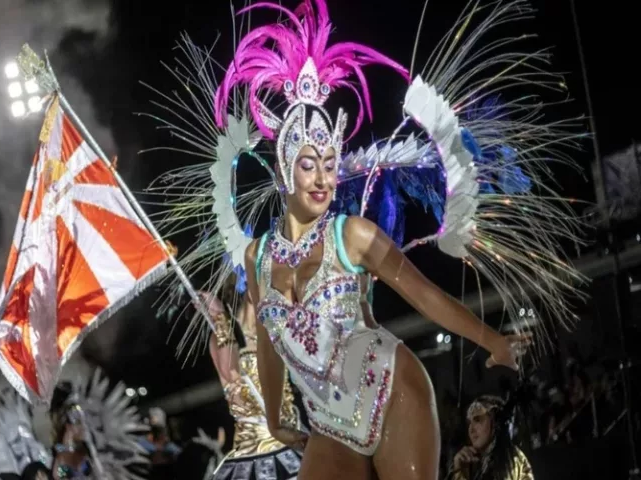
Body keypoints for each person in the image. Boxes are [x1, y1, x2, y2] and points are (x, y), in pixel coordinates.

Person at [142, 0, 583, 478]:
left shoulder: (352, 235)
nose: (322, 179)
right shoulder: (258, 256)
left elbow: (426, 297)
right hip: (330, 425)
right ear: (285, 171)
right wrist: (275, 417)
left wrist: (491, 339)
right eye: (309, 165)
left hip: (394, 393)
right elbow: (268, 344)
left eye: (330, 166)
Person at [200, 274, 304, 479]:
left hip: (294, 441)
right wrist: (220, 320)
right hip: (256, 454)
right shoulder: (222, 332)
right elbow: (231, 375)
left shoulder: (276, 327)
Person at [452, 396, 534, 480]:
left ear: (495, 423)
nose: (471, 429)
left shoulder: (509, 457)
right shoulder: (475, 461)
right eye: (469, 423)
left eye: (478, 420)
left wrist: (459, 474)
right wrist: (459, 469)